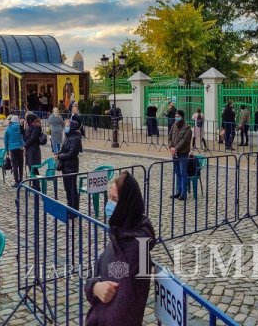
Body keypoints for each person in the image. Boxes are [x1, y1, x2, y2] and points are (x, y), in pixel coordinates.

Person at [84, 171, 156, 326]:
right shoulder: (119, 233)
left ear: (126, 205)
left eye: (115, 199)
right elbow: (97, 272)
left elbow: (125, 307)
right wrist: (95, 287)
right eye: (110, 197)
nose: (109, 204)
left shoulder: (137, 248)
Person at [56, 117, 84, 209]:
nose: (66, 127)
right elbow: (64, 149)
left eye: (67, 126)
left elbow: (72, 153)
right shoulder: (68, 137)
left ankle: (74, 209)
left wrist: (60, 156)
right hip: (65, 167)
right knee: (67, 189)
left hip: (71, 167)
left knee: (72, 189)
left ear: (72, 127)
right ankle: (69, 206)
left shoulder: (75, 138)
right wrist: (59, 153)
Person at [168, 112, 193, 200]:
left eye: (178, 116)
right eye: (175, 116)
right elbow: (170, 137)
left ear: (182, 117)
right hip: (174, 153)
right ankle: (178, 191)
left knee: (183, 173)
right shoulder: (174, 125)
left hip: (183, 153)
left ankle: (183, 193)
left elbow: (184, 141)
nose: (176, 117)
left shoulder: (187, 128)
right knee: (177, 173)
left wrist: (176, 148)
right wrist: (171, 147)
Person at [22, 112, 45, 179]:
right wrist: (22, 126)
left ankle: (36, 185)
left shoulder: (36, 127)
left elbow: (33, 138)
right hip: (29, 150)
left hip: (33, 151)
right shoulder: (29, 127)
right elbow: (24, 136)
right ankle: (34, 183)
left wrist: (25, 145)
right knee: (30, 167)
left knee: (34, 168)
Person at [4, 116, 25, 187]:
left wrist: (7, 151)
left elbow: (6, 141)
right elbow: (23, 137)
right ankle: (21, 180)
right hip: (20, 148)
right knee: (21, 165)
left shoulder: (8, 128)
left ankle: (16, 181)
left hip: (12, 149)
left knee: (15, 166)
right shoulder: (20, 127)